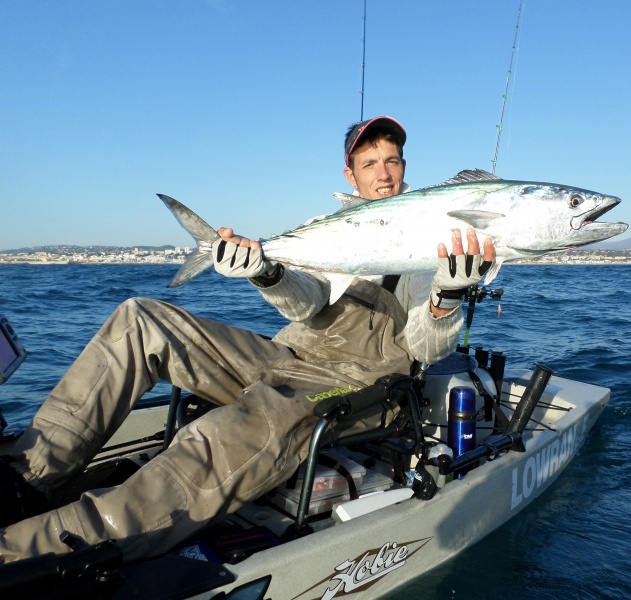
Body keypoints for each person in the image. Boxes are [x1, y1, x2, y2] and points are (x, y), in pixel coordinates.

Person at [0, 116, 495, 563]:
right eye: (370, 164)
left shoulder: (439, 233)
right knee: (141, 319)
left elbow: (429, 350)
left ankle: (29, 552)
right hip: (285, 354)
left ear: (404, 166)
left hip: (357, 384)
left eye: (391, 161)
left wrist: (445, 298)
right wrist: (265, 270)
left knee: (228, 431)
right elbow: (306, 303)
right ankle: (24, 483)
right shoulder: (333, 229)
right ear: (351, 176)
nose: (383, 173)